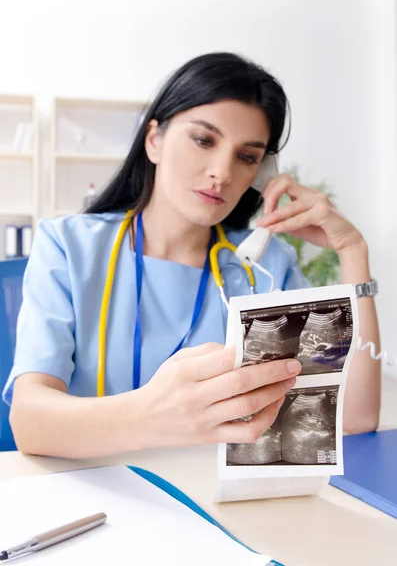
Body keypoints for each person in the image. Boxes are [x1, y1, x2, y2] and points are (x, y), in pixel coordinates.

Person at [3, 52, 380, 459]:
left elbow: (353, 418)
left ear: (262, 172)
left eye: (247, 156)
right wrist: (157, 417)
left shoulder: (266, 267)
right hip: (96, 492)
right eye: (204, 140)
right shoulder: (68, 246)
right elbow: (29, 423)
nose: (222, 171)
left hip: (212, 502)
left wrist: (352, 250)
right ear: (154, 140)